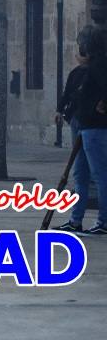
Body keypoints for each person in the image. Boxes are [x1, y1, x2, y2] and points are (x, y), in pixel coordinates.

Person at [68, 24, 107, 235]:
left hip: (94, 127)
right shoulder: (93, 65)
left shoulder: (99, 65)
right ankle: (76, 220)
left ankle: (104, 221)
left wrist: (101, 104)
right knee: (80, 174)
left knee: (100, 175)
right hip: (86, 126)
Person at [54, 31, 92, 232]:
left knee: (85, 171)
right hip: (78, 121)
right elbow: (68, 93)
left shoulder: (91, 73)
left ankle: (80, 219)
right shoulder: (77, 73)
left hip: (87, 123)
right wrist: (60, 110)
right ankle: (76, 219)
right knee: (80, 171)